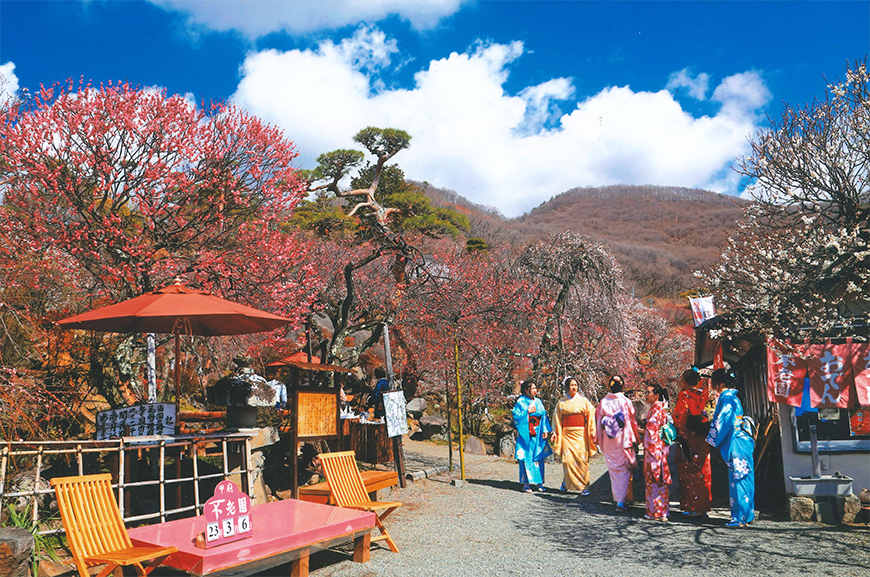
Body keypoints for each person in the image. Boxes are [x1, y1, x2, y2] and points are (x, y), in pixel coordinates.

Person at [707, 369, 756, 527]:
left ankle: (740, 518)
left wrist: (713, 438)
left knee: (738, 477)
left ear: (719, 383)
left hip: (735, 442)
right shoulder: (732, 397)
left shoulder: (727, 398)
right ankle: (747, 514)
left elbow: (724, 421)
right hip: (742, 440)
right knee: (745, 477)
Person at [595, 375, 640, 510]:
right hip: (621, 435)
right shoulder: (625, 401)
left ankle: (618, 498)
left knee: (613, 469)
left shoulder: (603, 402)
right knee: (623, 468)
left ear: (610, 386)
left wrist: (599, 438)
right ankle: (620, 500)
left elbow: (598, 421)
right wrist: (635, 437)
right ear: (622, 386)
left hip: (608, 437)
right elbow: (631, 420)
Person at [672, 368, 712, 517]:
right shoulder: (703, 395)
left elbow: (680, 417)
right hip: (702, 437)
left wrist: (673, 420)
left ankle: (692, 506)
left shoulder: (684, 395)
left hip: (688, 437)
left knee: (688, 470)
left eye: (681, 380)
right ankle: (703, 506)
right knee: (703, 470)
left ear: (685, 382)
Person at [549, 376, 597, 496]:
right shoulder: (561, 402)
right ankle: (566, 483)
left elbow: (591, 415)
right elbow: (557, 419)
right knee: (568, 461)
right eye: (571, 385)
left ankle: (584, 486)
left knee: (582, 460)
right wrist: (555, 432)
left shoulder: (584, 401)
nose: (574, 387)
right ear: (567, 387)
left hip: (580, 434)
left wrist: (592, 431)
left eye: (575, 385)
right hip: (566, 434)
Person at [512, 380, 553, 493]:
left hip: (538, 432)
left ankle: (539, 482)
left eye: (535, 388)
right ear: (526, 390)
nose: (535, 390)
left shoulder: (539, 401)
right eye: (532, 388)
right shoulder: (521, 401)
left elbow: (544, 416)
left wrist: (545, 430)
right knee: (526, 456)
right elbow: (516, 417)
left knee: (539, 456)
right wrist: (527, 411)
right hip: (527, 433)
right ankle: (526, 483)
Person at [643, 382, 672, 521]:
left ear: (656, 395)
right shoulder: (659, 408)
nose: (646, 395)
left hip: (654, 448)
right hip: (659, 447)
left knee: (654, 478)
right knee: (659, 479)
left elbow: (652, 430)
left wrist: (639, 430)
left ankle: (656, 512)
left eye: (648, 393)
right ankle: (663, 510)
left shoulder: (657, 409)